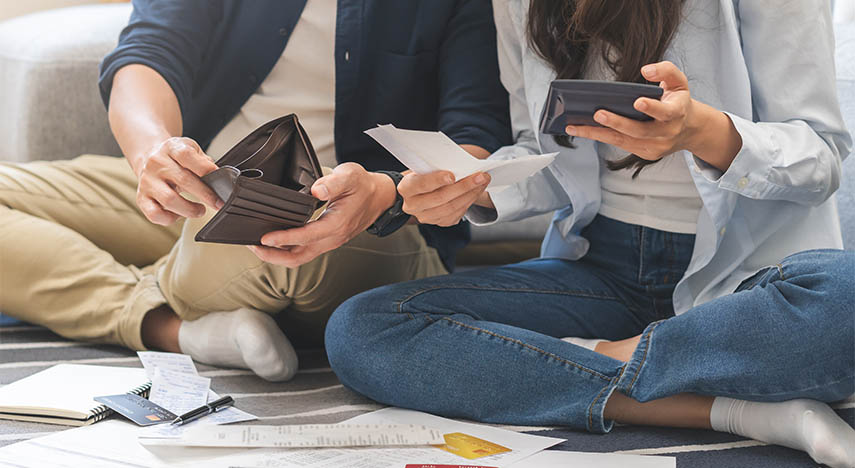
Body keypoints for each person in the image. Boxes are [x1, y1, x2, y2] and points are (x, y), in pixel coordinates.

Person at [325, 0, 855, 466]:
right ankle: (733, 410)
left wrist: (702, 131)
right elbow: (541, 154)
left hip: (749, 281)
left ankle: (578, 356)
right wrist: (461, 188)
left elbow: (821, 156)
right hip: (602, 268)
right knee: (365, 328)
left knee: (846, 296)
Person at [0, 0, 510, 381]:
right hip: (204, 184)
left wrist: (390, 191)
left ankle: (146, 278)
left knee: (283, 239)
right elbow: (147, 53)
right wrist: (155, 154)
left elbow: (476, 137)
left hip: (357, 213)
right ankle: (173, 329)